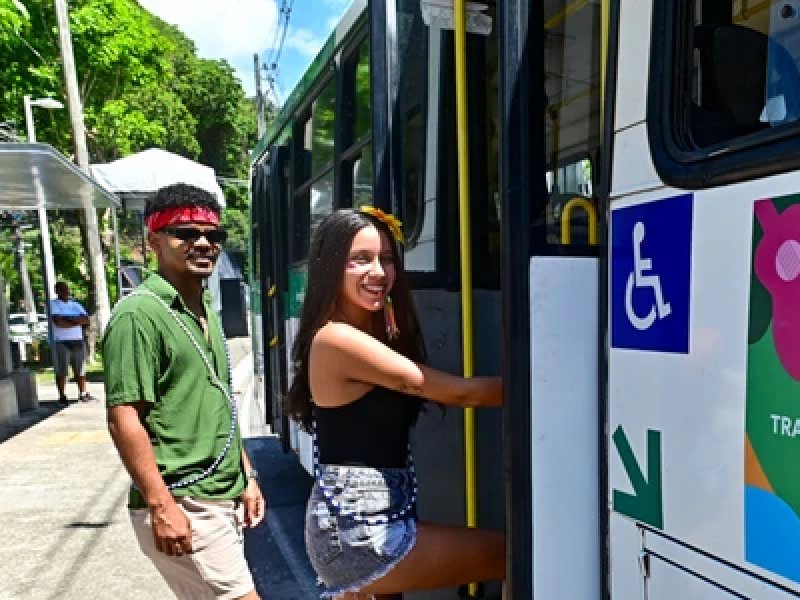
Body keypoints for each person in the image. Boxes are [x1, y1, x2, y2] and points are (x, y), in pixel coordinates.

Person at [286, 207, 504, 599]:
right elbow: (461, 393)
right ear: (330, 267)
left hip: (371, 521)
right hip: (359, 532)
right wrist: (545, 382)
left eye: (386, 259)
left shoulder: (366, 334)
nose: (379, 272)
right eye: (360, 260)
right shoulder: (338, 339)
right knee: (508, 553)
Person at [102, 183, 265, 600]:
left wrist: (246, 475)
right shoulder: (139, 314)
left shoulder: (203, 310)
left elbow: (218, 403)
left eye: (213, 235)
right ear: (154, 240)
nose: (203, 243)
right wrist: (161, 506)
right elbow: (124, 417)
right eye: (186, 234)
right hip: (185, 500)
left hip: (219, 496)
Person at [49, 281, 92, 405]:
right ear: (57, 291)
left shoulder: (76, 305)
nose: (66, 292)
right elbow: (58, 322)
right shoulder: (53, 304)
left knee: (80, 369)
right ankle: (62, 395)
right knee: (62, 370)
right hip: (61, 341)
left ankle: (83, 393)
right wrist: (76, 320)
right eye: (62, 289)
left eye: (66, 289)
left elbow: (86, 320)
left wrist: (69, 320)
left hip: (78, 340)